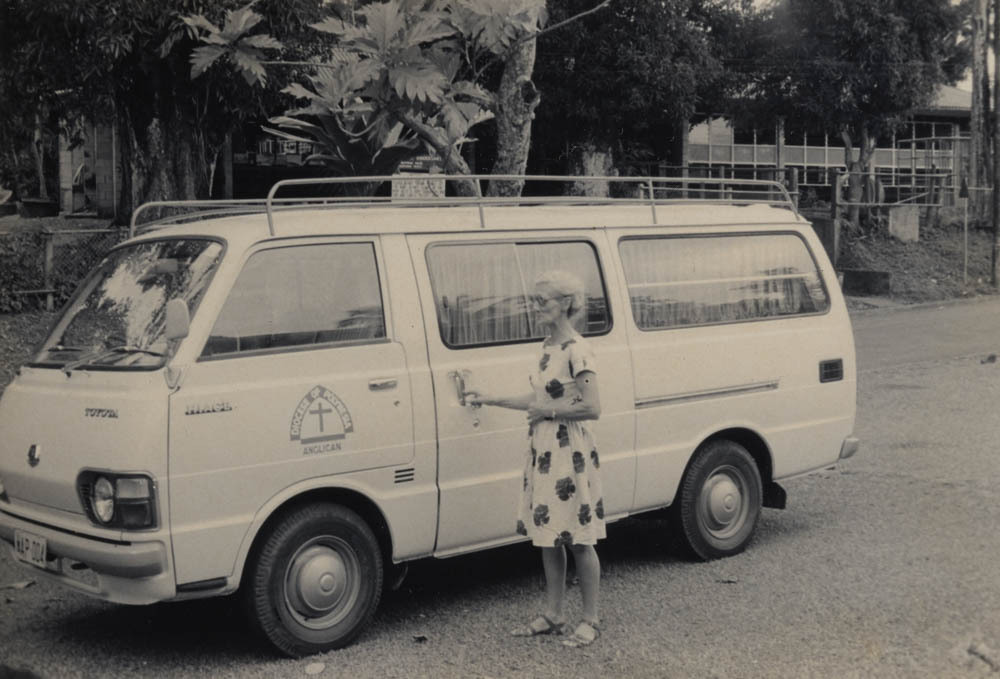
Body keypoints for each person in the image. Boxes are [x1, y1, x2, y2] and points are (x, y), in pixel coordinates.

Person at [468, 270, 605, 648]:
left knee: (579, 538)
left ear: (566, 303)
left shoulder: (578, 350)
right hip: (544, 449)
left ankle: (590, 619)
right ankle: (554, 614)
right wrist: (491, 398)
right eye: (534, 300)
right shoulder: (547, 347)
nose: (535, 307)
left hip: (569, 450)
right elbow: (539, 399)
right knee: (548, 536)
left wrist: (548, 412)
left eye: (541, 301)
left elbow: (592, 406)